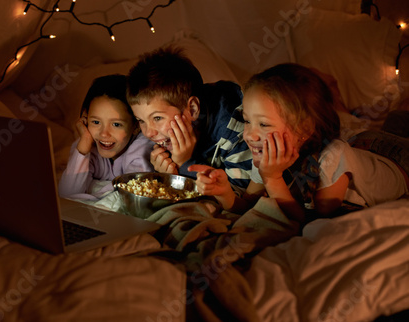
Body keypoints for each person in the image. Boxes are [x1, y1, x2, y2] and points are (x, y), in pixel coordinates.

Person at [189, 63, 409, 223]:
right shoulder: (265, 154)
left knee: (399, 122)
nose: (250, 135)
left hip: (396, 158)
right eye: (247, 121)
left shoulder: (332, 157)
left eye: (264, 125)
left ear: (304, 128)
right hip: (360, 147)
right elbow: (250, 207)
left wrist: (273, 179)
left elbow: (309, 223)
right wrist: (224, 192)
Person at [127, 46, 253, 192]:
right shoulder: (168, 134)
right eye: (141, 120)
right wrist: (170, 174)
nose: (148, 133)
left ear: (192, 109)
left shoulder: (236, 128)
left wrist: (184, 163)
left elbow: (238, 196)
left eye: (157, 118)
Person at [58, 74, 154, 200]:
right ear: (85, 119)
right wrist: (85, 142)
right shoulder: (85, 145)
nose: (104, 134)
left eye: (116, 124)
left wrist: (89, 194)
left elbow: (130, 193)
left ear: (136, 126)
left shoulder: (142, 146)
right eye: (96, 122)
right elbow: (65, 194)